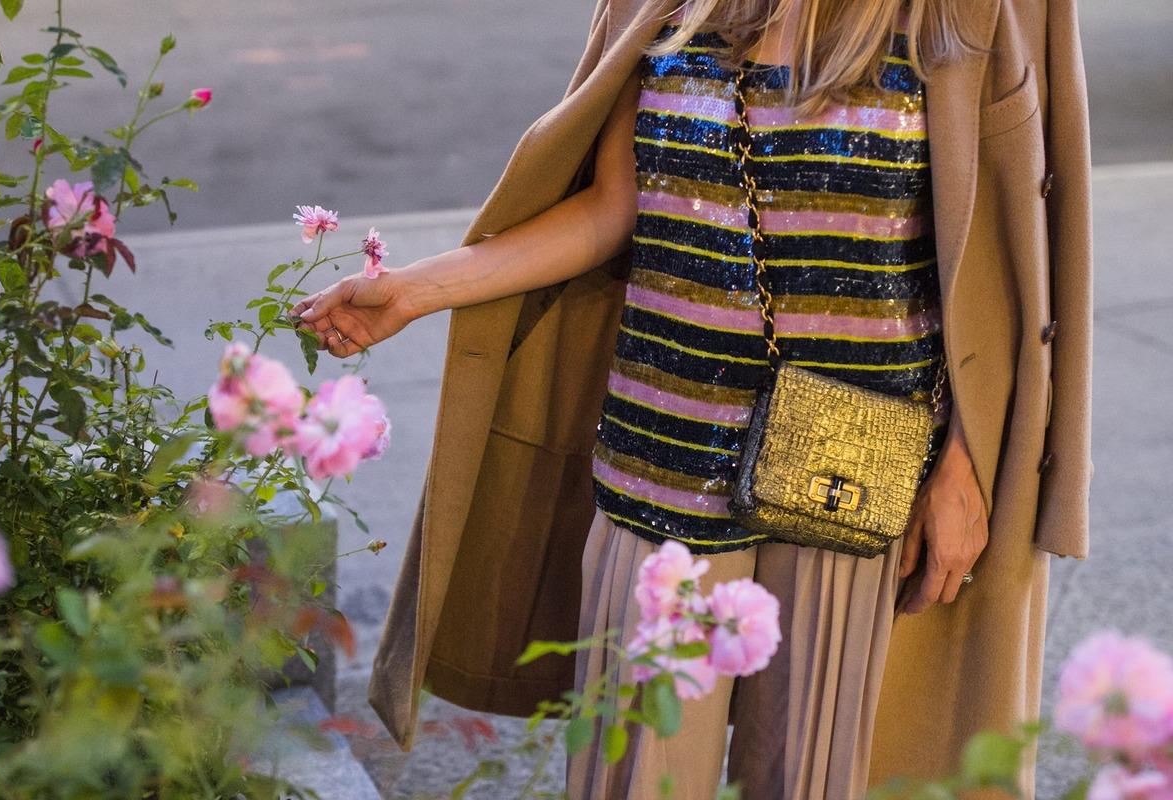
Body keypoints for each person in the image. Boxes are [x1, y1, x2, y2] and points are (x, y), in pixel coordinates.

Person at [292, 0, 1093, 796]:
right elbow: (613, 209)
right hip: (659, 464)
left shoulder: (973, 12)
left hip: (857, 479)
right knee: (636, 776)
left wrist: (969, 462)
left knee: (816, 779)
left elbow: (1017, 265)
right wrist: (414, 291)